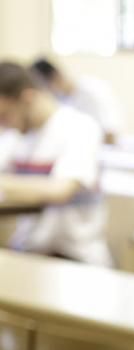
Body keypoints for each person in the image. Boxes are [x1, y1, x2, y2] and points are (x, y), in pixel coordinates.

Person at [0, 61, 110, 266]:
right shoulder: (14, 137)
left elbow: (61, 190)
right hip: (29, 251)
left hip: (75, 257)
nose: (3, 125)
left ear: (27, 98)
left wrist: (5, 183)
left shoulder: (79, 127)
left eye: (5, 115)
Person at [29, 57, 124, 145]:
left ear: (56, 76)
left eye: (45, 85)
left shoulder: (93, 89)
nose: (46, 91)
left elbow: (111, 134)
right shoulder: (59, 99)